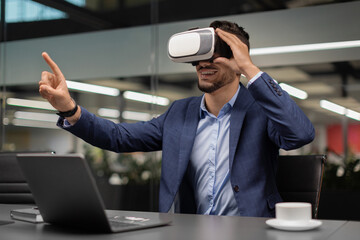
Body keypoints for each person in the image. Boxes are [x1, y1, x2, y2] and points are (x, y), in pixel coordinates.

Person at [39, 20, 315, 217]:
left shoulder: (261, 110)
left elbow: (300, 134)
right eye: (199, 58)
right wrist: (69, 108)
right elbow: (118, 137)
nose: (203, 64)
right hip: (189, 231)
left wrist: (251, 69)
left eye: (215, 56)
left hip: (250, 230)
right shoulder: (179, 112)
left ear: (237, 62)